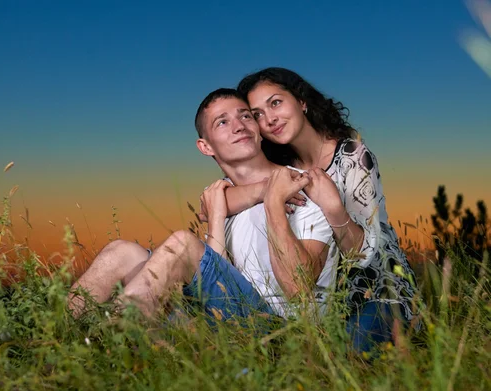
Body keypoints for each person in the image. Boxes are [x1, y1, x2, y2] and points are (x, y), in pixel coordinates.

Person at [68, 88, 337, 322]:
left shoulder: (302, 187)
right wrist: (218, 215)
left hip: (278, 330)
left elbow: (299, 291)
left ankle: (111, 336)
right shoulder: (220, 196)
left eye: (245, 115)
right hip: (225, 318)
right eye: (222, 122)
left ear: (258, 129)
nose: (239, 125)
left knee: (183, 245)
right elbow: (217, 279)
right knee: (121, 252)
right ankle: (53, 337)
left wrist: (272, 200)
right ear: (205, 147)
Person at [209, 67, 420, 352]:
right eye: (257, 114)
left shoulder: (352, 156)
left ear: (302, 101)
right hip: (319, 301)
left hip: (376, 289)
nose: (269, 119)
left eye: (276, 103)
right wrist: (264, 192)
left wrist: (333, 207)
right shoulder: (279, 166)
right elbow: (211, 202)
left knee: (351, 352)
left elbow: (363, 254)